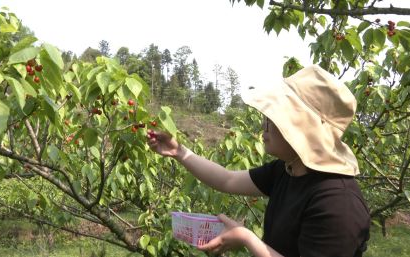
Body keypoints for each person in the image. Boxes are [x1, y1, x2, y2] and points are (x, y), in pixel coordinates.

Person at [147, 65, 370, 257]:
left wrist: (247, 238)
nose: (264, 125)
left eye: (273, 119)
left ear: (301, 129)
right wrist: (179, 152)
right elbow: (227, 180)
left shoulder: (338, 204)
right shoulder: (288, 169)